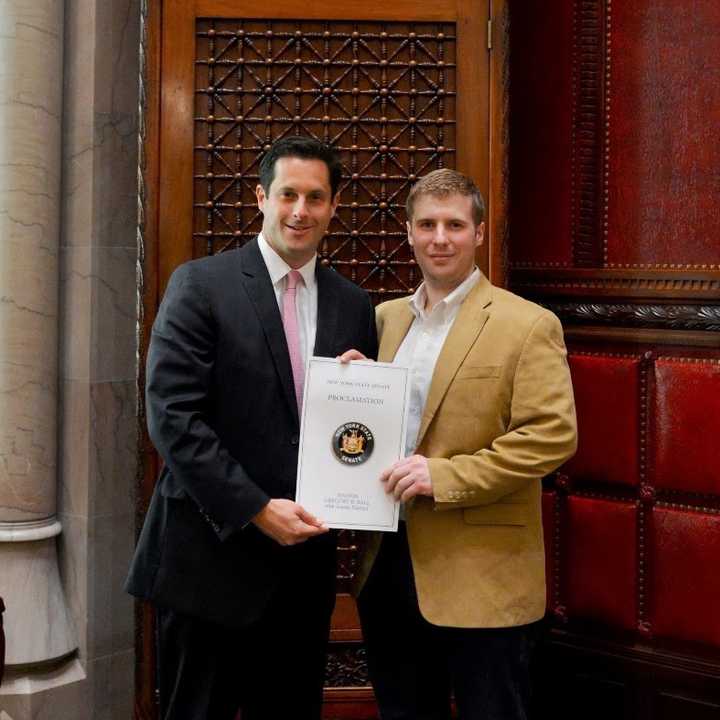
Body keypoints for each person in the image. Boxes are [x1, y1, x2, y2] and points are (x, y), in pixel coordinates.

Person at [125, 136, 378, 720]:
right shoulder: (201, 284)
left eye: (316, 197)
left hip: (301, 577)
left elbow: (352, 438)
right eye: (288, 194)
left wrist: (364, 398)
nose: (300, 210)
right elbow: (173, 418)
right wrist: (257, 508)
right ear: (261, 197)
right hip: (208, 560)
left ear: (334, 206)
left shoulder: (353, 305)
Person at [340, 169, 577, 720]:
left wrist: (443, 477)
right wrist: (352, 389)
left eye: (453, 224)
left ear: (478, 233)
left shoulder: (528, 324)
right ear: (408, 233)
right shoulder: (384, 320)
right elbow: (382, 427)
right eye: (427, 224)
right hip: (389, 567)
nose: (439, 237)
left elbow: (552, 435)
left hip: (484, 577)